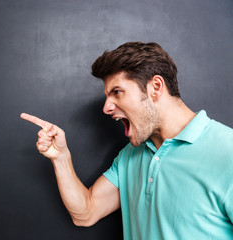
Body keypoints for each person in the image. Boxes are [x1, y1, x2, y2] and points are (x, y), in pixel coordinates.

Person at [20, 42, 233, 239]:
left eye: (117, 92)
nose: (106, 107)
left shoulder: (227, 152)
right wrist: (61, 157)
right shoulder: (131, 155)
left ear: (155, 87)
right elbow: (85, 213)